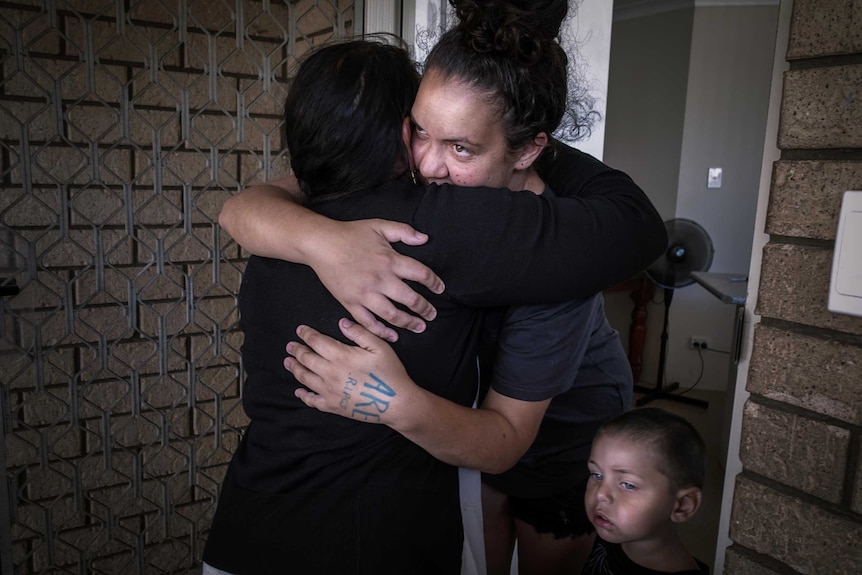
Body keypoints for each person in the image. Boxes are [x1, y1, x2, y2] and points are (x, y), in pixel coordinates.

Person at [203, 32, 661, 575]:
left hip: (246, 533)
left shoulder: (276, 234)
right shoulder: (427, 221)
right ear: (401, 131)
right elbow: (636, 225)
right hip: (377, 531)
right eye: (421, 132)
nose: (430, 163)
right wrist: (320, 241)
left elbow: (241, 207)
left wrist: (396, 402)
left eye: (460, 145)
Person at [582, 407, 709, 575]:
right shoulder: (612, 532)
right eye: (597, 474)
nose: (600, 494)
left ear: (682, 506)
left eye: (628, 485)